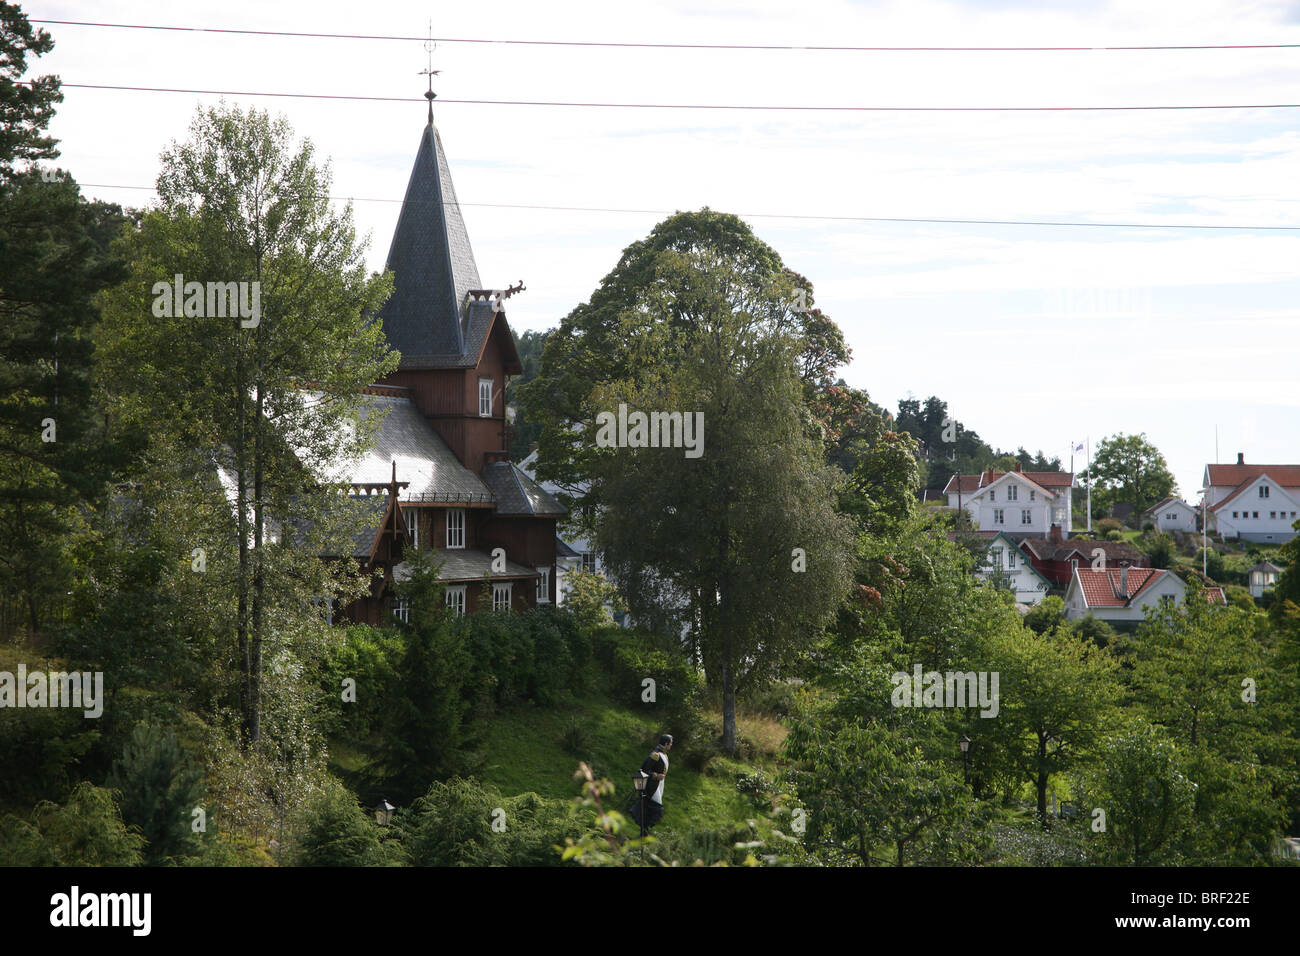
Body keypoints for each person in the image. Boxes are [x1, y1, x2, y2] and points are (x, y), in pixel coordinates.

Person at [631, 734, 673, 831]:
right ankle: (644, 829)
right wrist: (656, 776)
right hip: (652, 785)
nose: (671, 745)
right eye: (670, 743)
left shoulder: (664, 755)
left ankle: (644, 830)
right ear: (666, 744)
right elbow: (644, 769)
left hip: (659, 785)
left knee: (652, 808)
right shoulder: (656, 755)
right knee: (656, 808)